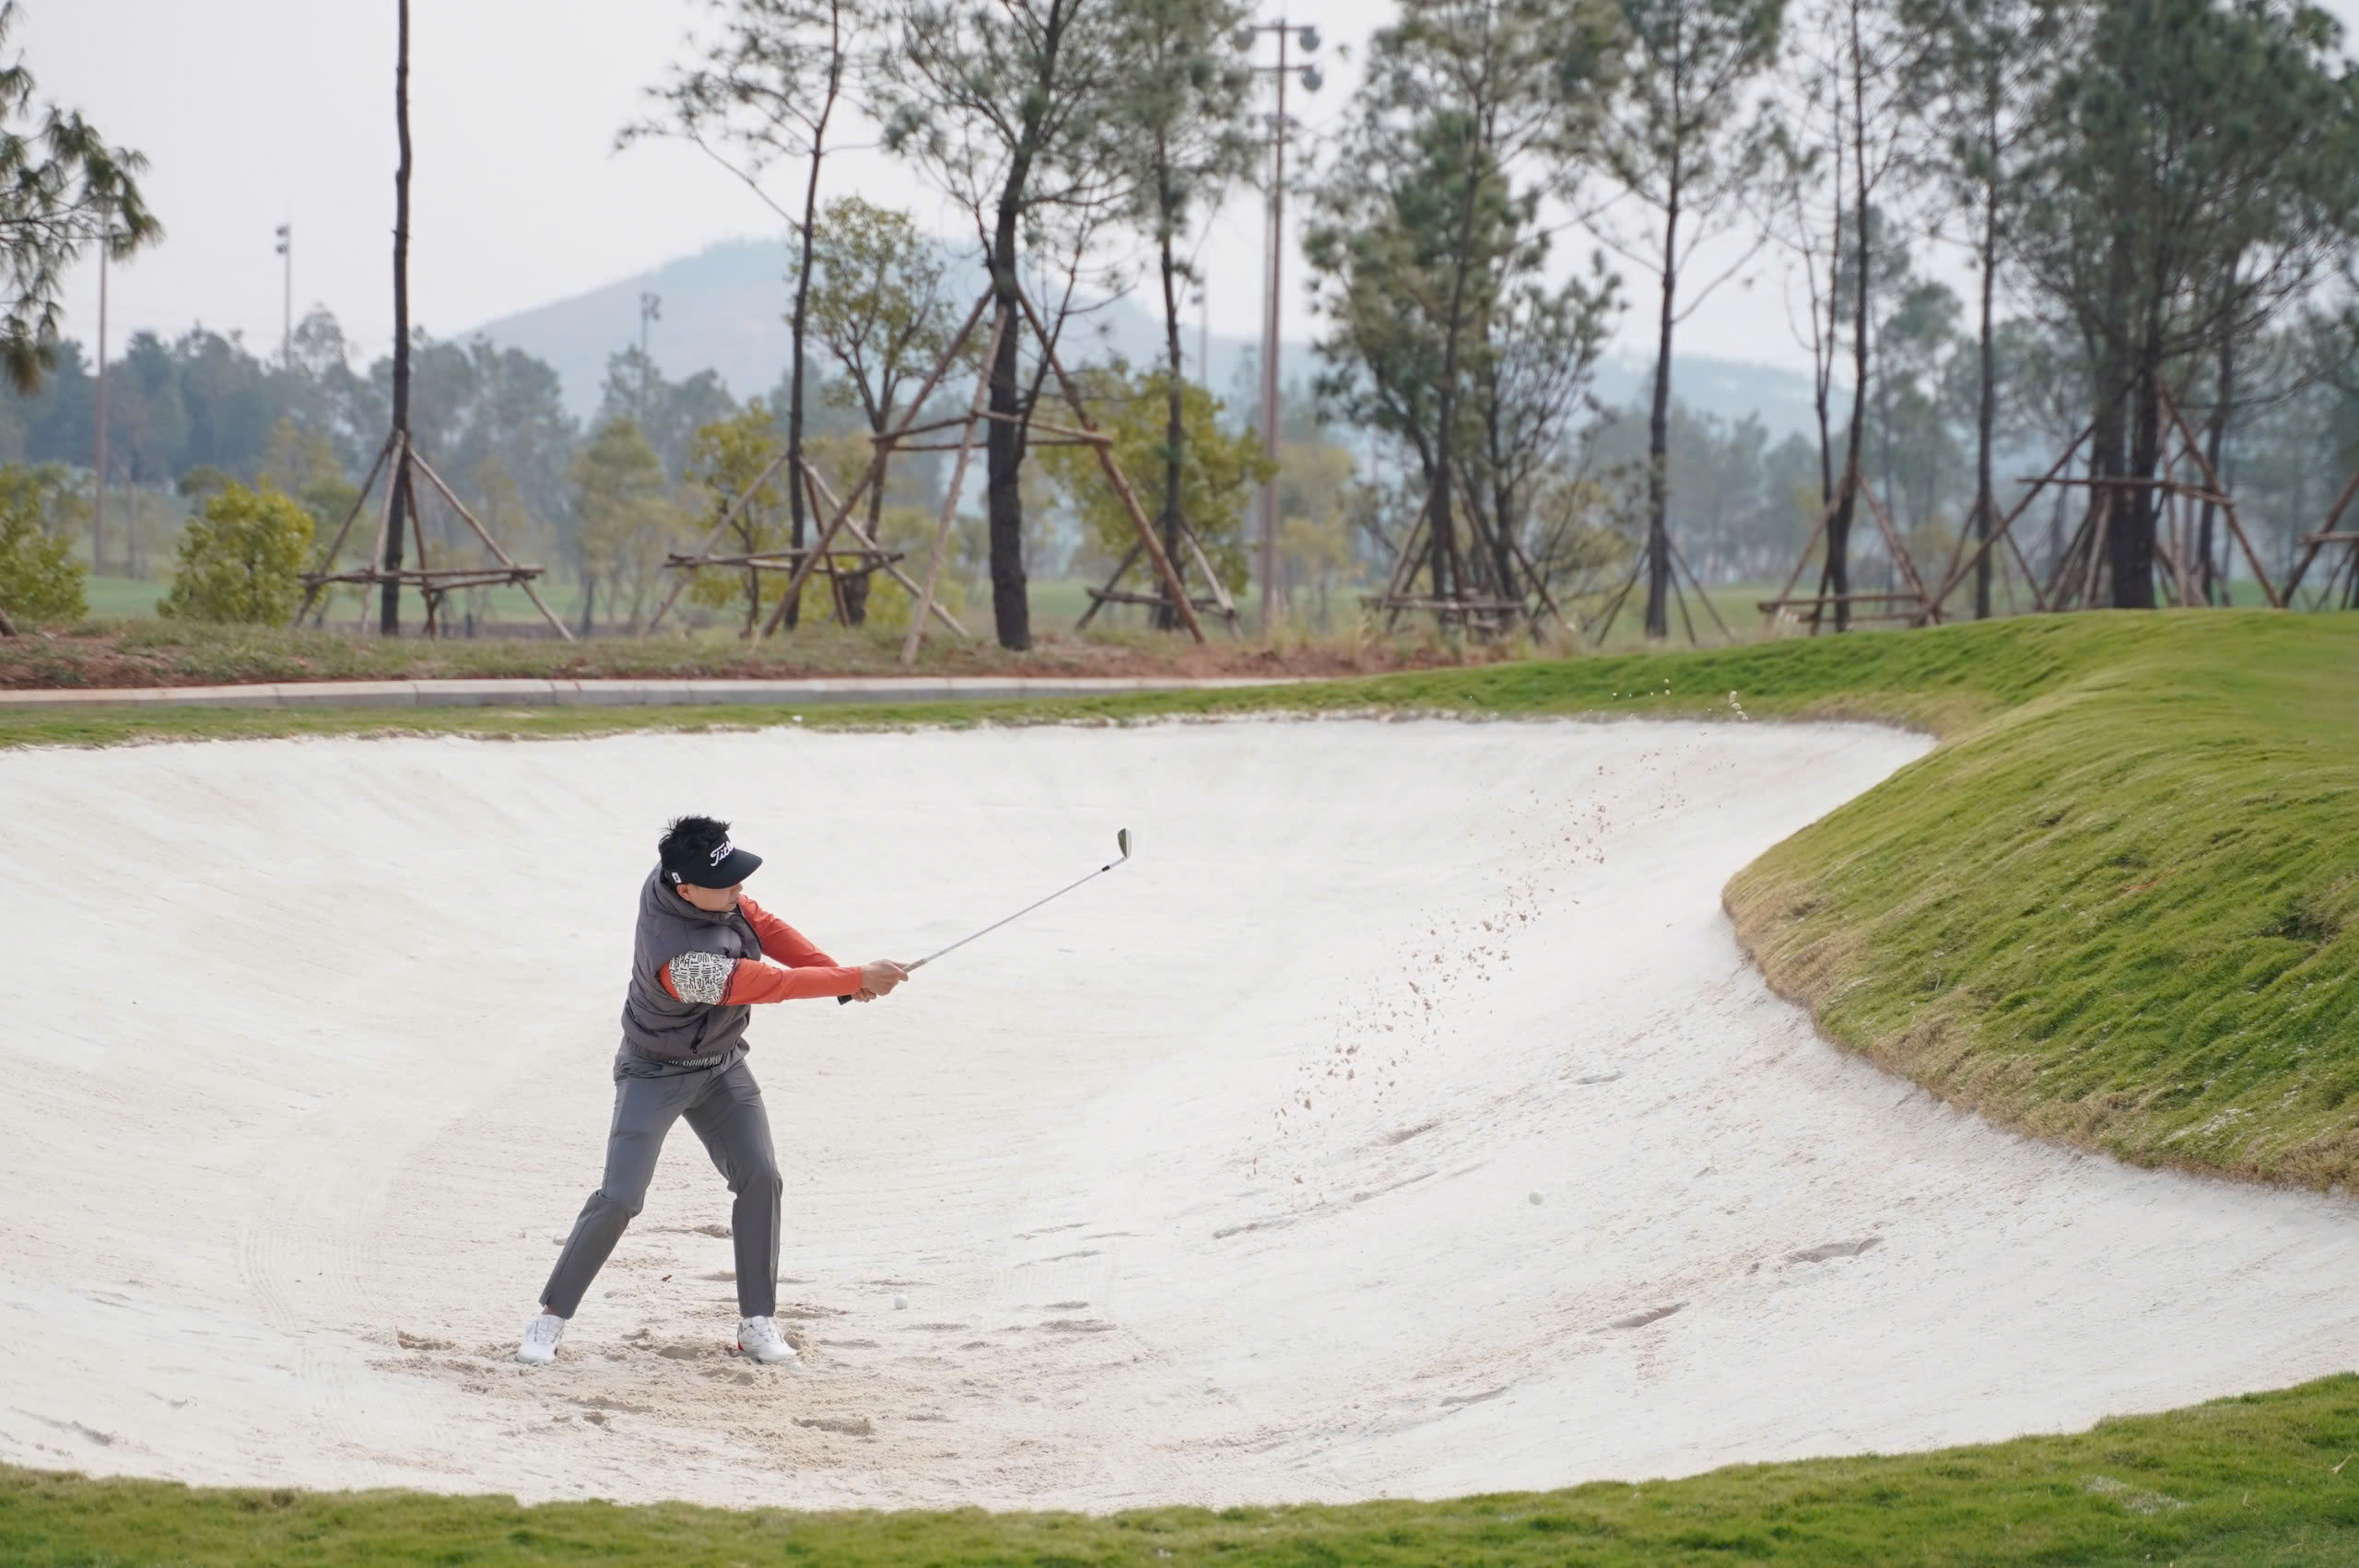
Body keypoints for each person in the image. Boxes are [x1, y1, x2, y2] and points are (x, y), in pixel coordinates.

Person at [517, 814, 907, 1366]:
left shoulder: (700, 887)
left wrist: (843, 978)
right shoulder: (683, 961)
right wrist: (852, 979)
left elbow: (765, 927)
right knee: (621, 1197)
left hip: (722, 1066)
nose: (741, 893)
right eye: (729, 885)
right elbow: (767, 984)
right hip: (654, 1074)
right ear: (686, 887)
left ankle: (757, 1324)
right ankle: (549, 1319)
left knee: (761, 1177)